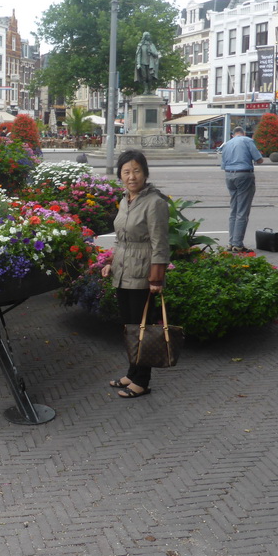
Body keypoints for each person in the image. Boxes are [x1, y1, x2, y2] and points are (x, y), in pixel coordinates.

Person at [99, 149, 170, 399]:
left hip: (143, 276)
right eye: (126, 171)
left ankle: (143, 380)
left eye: (136, 171)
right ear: (120, 175)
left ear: (145, 173)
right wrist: (110, 262)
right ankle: (132, 372)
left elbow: (160, 244)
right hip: (122, 273)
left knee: (143, 329)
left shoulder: (155, 203)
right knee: (129, 328)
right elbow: (121, 240)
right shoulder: (125, 200)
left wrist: (156, 278)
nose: (132, 176)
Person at [219, 125, 263, 252]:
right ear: (243, 133)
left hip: (229, 176)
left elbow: (223, 164)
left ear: (233, 135)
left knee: (234, 209)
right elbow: (259, 160)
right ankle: (238, 244)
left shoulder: (226, 144)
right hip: (244, 175)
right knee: (242, 210)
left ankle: (231, 242)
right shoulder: (247, 140)